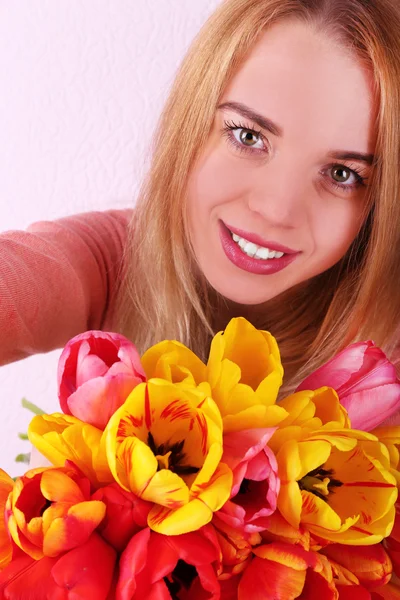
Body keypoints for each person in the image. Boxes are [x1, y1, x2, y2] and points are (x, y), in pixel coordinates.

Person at [1, 0, 400, 399]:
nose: (276, 209)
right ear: (189, 121)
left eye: (343, 174)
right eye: (248, 136)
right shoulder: (115, 263)